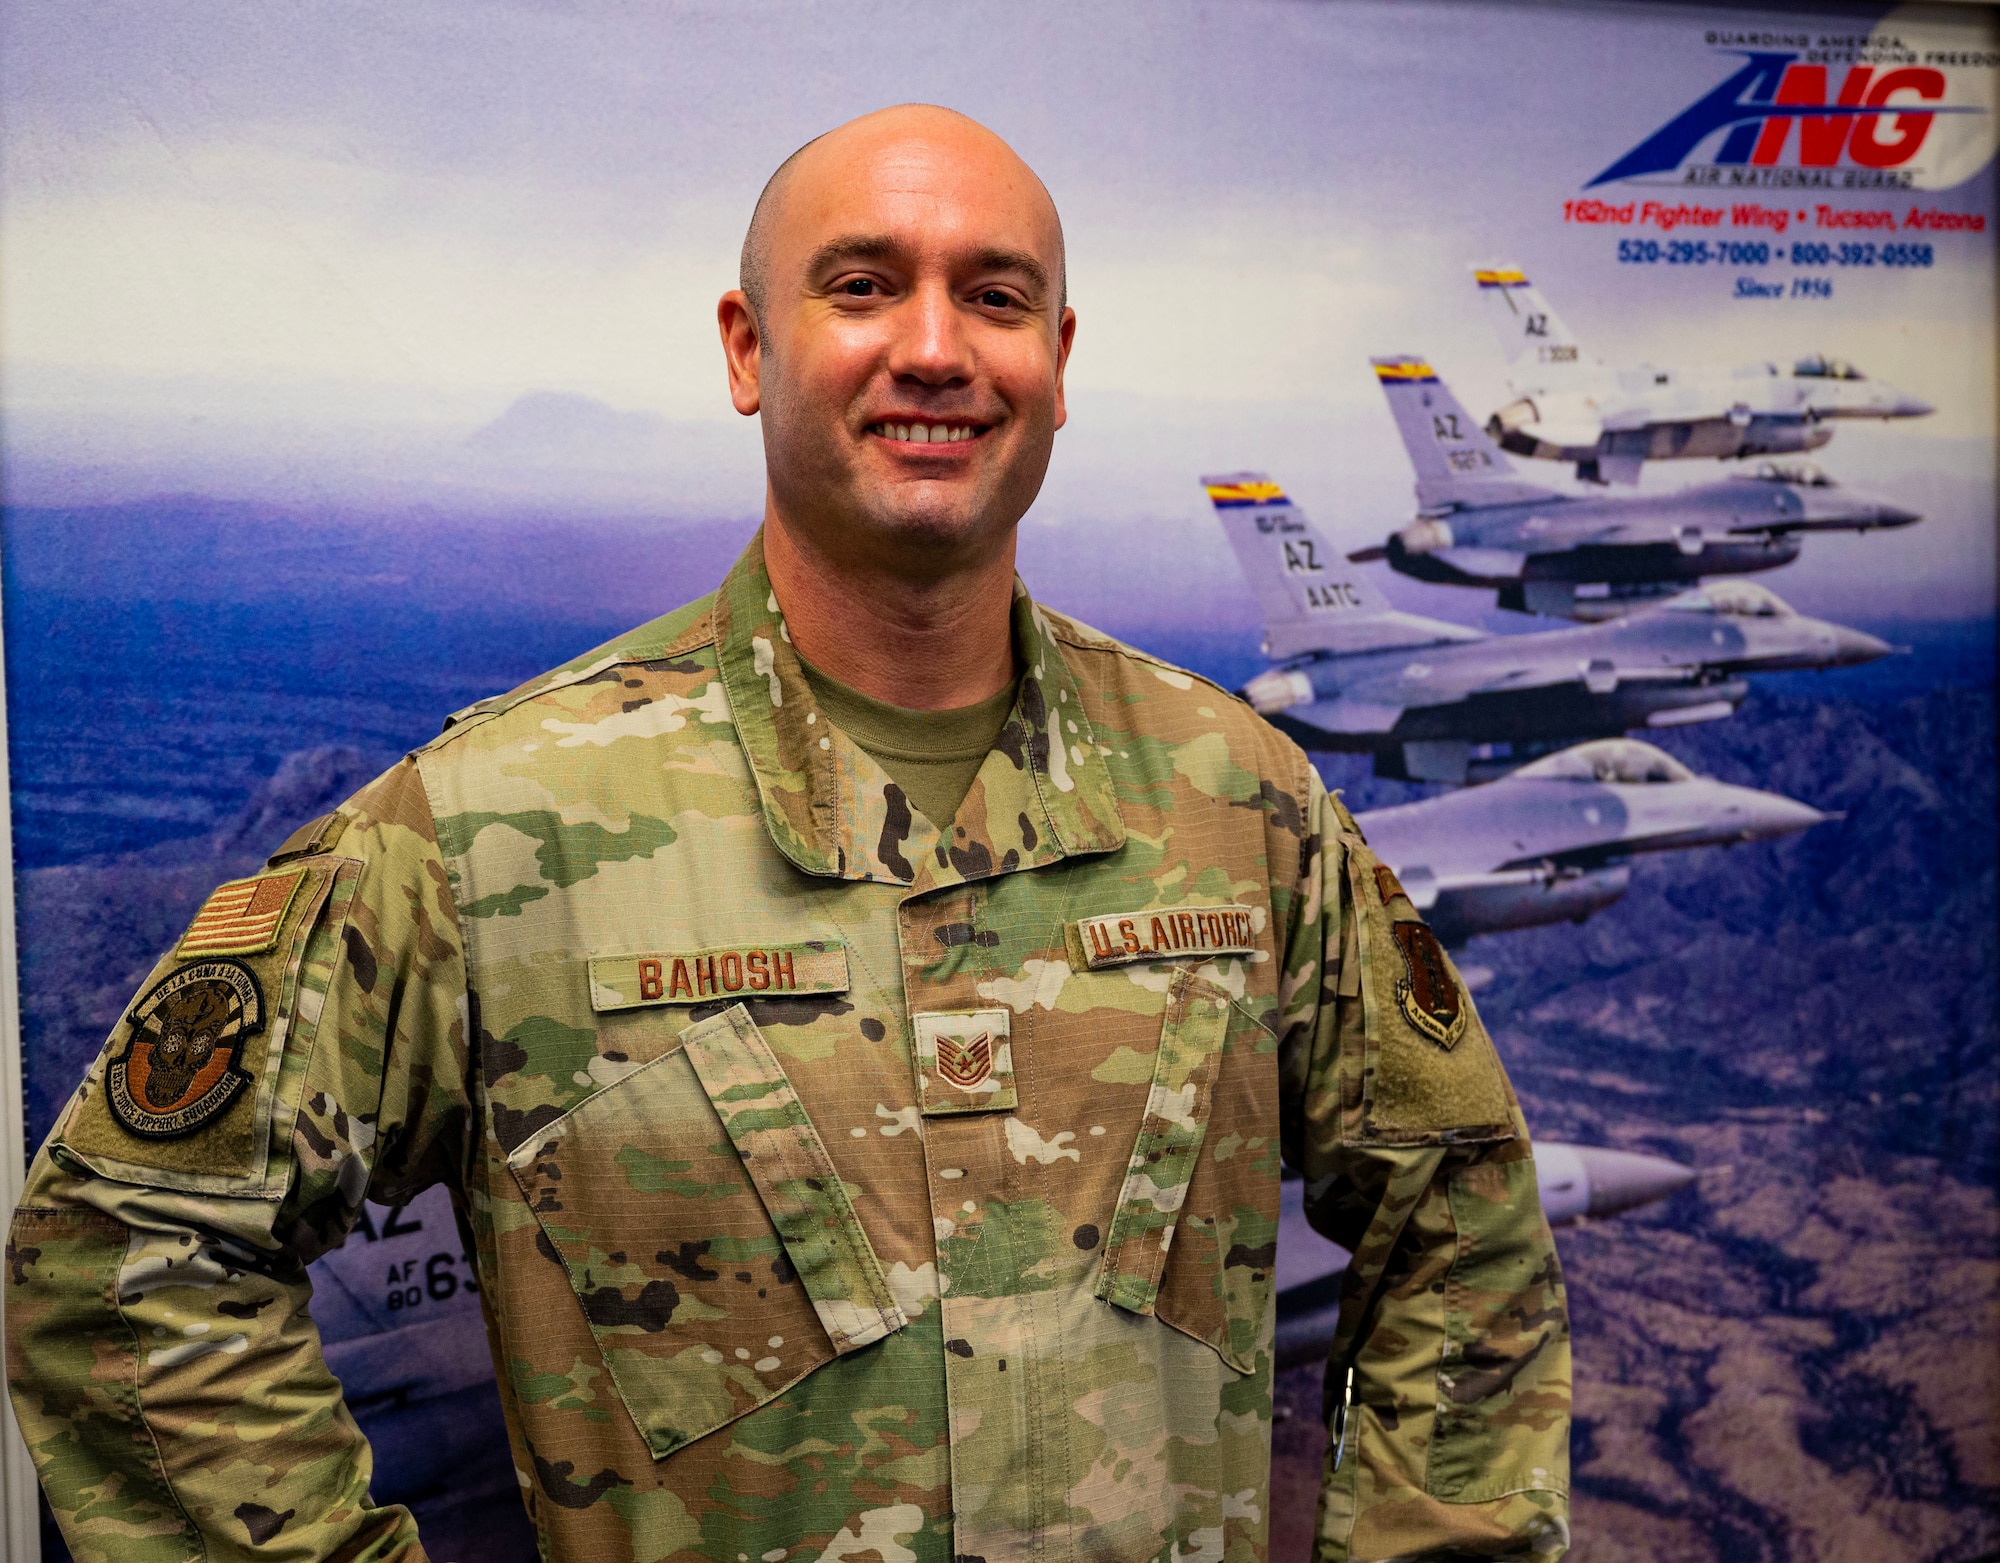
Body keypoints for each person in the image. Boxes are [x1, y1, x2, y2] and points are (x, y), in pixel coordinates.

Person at [7, 105, 1569, 1562]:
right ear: (751, 351)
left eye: (998, 297)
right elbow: (116, 1249)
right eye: (865, 287)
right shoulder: (494, 832)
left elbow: (1470, 1226)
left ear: (1061, 362)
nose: (937, 349)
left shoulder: (1242, 802)